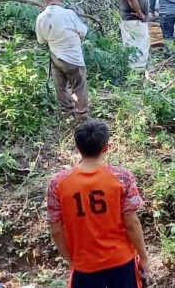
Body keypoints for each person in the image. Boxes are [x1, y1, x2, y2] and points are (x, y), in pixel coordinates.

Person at [47, 120, 149, 288]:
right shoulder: (122, 177)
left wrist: (71, 261)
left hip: (84, 266)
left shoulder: (58, 183)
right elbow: (131, 223)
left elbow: (56, 230)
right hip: (121, 261)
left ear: (77, 148)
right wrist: (144, 258)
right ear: (106, 147)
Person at [35, 0, 89, 120]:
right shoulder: (68, 14)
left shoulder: (40, 17)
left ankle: (67, 113)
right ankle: (81, 114)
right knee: (79, 85)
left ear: (45, 1)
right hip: (73, 56)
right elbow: (83, 32)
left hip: (55, 56)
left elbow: (41, 40)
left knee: (61, 87)